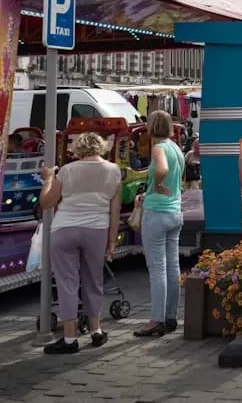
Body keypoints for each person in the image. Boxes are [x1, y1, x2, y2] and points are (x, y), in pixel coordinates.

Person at [39, 132, 122, 354]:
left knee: (67, 283)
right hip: (97, 229)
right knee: (93, 280)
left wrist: (47, 178)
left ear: (78, 148)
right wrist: (112, 241)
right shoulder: (114, 171)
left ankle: (69, 338)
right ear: (101, 146)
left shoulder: (67, 171)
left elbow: (47, 202)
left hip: (65, 228)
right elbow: (115, 210)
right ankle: (96, 330)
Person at [134, 110, 186, 337]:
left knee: (157, 269)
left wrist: (155, 186)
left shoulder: (158, 148)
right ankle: (171, 316)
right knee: (173, 267)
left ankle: (156, 320)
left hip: (157, 213)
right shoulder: (176, 149)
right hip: (175, 211)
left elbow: (162, 170)